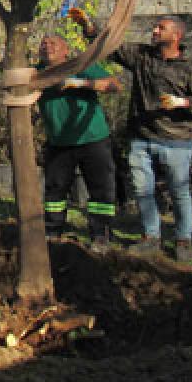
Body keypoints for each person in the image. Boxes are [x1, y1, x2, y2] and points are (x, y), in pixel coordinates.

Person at [72, 10, 192, 263]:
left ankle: (183, 240)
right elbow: (111, 48)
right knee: (143, 190)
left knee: (178, 191)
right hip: (141, 137)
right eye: (155, 27)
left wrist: (183, 102)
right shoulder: (142, 57)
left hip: (176, 139)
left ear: (177, 35)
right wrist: (90, 28)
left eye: (161, 28)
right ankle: (151, 237)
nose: (155, 31)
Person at [35, 34, 122, 251]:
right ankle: (52, 232)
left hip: (92, 138)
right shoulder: (37, 73)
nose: (47, 47)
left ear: (66, 50)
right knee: (55, 190)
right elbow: (14, 79)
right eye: (43, 44)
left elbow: (114, 85)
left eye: (53, 43)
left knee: (100, 188)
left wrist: (81, 83)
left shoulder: (80, 66)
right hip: (59, 142)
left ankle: (100, 235)